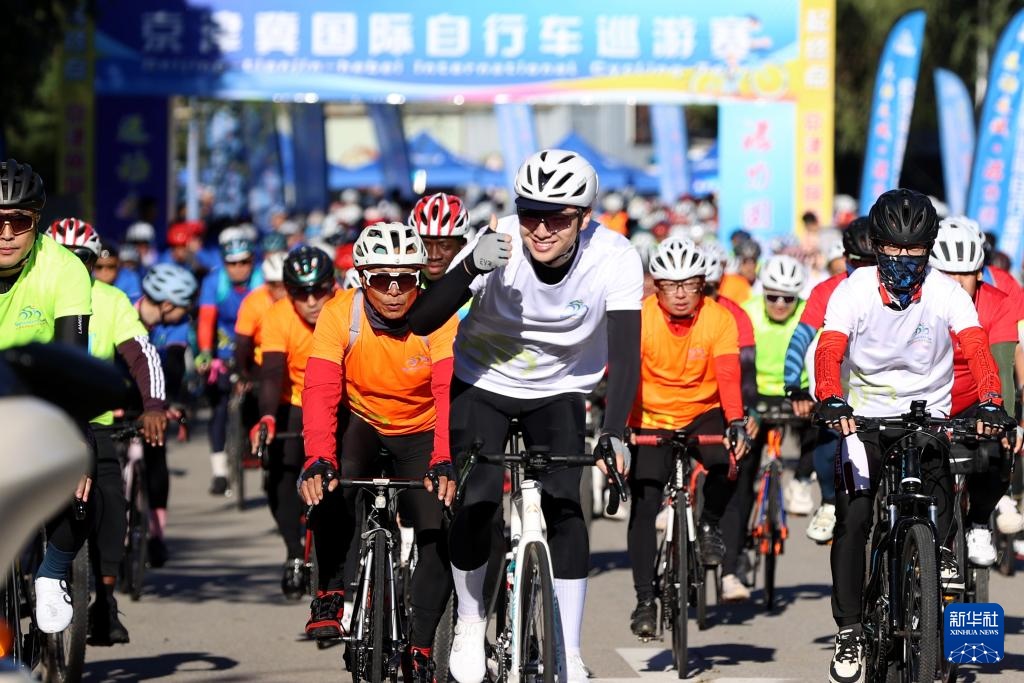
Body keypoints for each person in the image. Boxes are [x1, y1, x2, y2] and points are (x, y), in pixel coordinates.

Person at [407, 149, 643, 683]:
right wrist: (470, 264)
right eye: (530, 213)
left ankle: (569, 648)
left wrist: (614, 432)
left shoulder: (616, 257)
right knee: (478, 500)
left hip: (562, 389)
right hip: (483, 382)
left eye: (557, 218)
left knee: (565, 506)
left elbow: (626, 354)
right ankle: (471, 623)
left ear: (584, 217)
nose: (540, 229)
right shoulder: (500, 241)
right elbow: (421, 321)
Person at [815, 189, 1014, 683]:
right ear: (876, 247)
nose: (904, 259)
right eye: (893, 249)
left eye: (915, 250)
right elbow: (829, 350)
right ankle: (849, 630)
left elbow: (976, 347)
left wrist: (992, 400)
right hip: (863, 418)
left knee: (940, 492)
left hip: (929, 415)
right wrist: (830, 398)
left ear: (929, 250)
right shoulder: (853, 291)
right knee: (854, 517)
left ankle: (936, 559)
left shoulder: (946, 291)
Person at [300, 222, 457, 682]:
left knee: (437, 526)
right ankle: (329, 591)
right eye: (382, 278)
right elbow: (320, 389)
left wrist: (443, 458)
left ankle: (421, 646)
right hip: (364, 423)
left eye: (405, 279)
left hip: (422, 429)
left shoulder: (440, 316)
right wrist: (317, 457)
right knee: (332, 480)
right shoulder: (339, 313)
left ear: (418, 278)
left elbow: (447, 391)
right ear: (362, 278)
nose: (393, 290)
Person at [47, 217, 168, 646]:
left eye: (83, 259)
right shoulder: (30, 287)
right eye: (62, 257)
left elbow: (143, 355)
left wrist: (154, 407)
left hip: (90, 421)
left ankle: (106, 600)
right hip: (35, 420)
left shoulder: (111, 300)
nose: (72, 266)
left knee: (111, 498)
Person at [626, 239, 749, 638]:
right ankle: (645, 600)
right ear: (656, 286)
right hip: (651, 415)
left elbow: (728, 374)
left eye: (690, 285)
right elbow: (626, 376)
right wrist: (620, 428)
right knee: (644, 502)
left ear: (702, 284)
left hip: (702, 410)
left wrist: (735, 422)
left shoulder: (719, 319)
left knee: (729, 461)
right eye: (670, 285)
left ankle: (709, 524)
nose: (680, 294)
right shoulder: (640, 318)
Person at [0, 160, 92, 634]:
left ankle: (52, 571)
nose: (6, 234)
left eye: (19, 221)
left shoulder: (64, 268)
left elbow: (72, 364)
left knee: (84, 462)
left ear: (36, 222)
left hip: (41, 390)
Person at [719, 254, 815, 602]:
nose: (779, 304)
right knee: (742, 477)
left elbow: (819, 358)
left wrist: (812, 396)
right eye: (772, 296)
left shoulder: (809, 314)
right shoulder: (747, 312)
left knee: (821, 430)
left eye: (788, 298)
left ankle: (801, 481)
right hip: (754, 395)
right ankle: (734, 559)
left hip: (796, 394)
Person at [929, 218, 1023, 563]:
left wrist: (1005, 418)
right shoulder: (917, 301)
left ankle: (980, 522)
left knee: (999, 451)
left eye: (965, 274)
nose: (956, 282)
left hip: (975, 398)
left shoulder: (999, 303)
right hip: (926, 397)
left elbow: (1002, 366)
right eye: (947, 273)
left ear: (980, 273)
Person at [783, 218, 876, 543]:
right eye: (859, 263)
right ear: (846, 259)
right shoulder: (827, 290)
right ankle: (828, 503)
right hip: (842, 386)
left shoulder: (898, 287)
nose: (866, 270)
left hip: (886, 388)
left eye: (873, 262)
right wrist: (793, 386)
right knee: (827, 442)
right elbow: (800, 340)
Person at [249, 246, 334, 599]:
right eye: (301, 292)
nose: (311, 301)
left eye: (319, 290)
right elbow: (270, 373)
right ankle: (293, 552)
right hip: (293, 400)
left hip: (337, 400)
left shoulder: (345, 307)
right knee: (280, 474)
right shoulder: (277, 315)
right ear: (287, 291)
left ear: (332, 286)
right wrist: (267, 416)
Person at [136, 263, 200, 564]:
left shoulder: (176, 323)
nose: (188, 314)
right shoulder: (125, 310)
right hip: (124, 390)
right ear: (168, 304)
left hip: (158, 393)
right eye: (185, 307)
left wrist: (171, 402)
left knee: (156, 455)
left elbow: (174, 364)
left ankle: (157, 534)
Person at [196, 234, 264, 495]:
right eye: (232, 263)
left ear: (252, 261)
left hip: (255, 345)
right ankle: (219, 472)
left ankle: (254, 447)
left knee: (260, 396)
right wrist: (205, 353)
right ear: (224, 263)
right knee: (220, 407)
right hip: (223, 346)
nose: (238, 268)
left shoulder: (260, 280)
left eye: (244, 262)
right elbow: (206, 320)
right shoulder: (214, 281)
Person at [234, 252, 287, 388]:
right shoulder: (253, 302)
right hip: (264, 361)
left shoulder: (301, 301)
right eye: (275, 285)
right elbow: (242, 341)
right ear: (267, 283)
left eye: (286, 284)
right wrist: (242, 373)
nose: (282, 290)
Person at [408, 192, 471, 284]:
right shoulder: (399, 284)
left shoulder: (478, 285)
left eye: (444, 246)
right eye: (424, 245)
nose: (434, 256)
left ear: (462, 246)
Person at [718, 238, 760, 304]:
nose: (750, 267)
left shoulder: (762, 286)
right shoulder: (726, 283)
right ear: (737, 262)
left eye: (753, 261)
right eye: (745, 261)